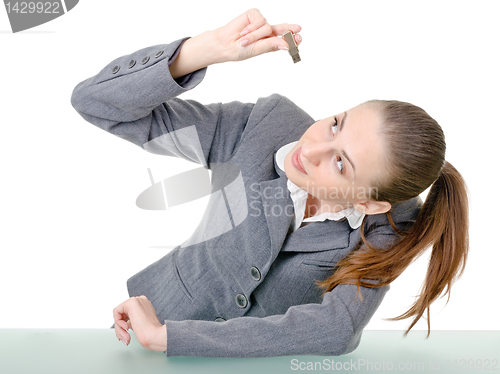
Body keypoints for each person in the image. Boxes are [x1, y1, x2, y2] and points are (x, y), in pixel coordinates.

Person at [70, 8, 469, 357]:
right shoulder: (263, 127)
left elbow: (336, 328)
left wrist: (170, 338)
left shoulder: (390, 227)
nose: (310, 149)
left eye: (341, 164)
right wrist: (204, 50)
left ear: (368, 203)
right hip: (147, 323)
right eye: (334, 124)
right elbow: (97, 104)